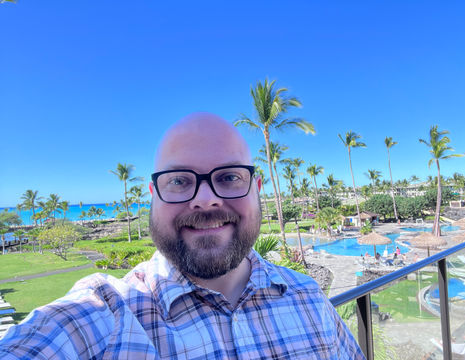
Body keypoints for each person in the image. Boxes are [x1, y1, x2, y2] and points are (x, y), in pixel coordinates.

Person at [0, 113, 364, 359]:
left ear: (256, 188)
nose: (206, 199)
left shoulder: (309, 299)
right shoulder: (107, 315)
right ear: (153, 195)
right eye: (178, 181)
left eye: (229, 177)